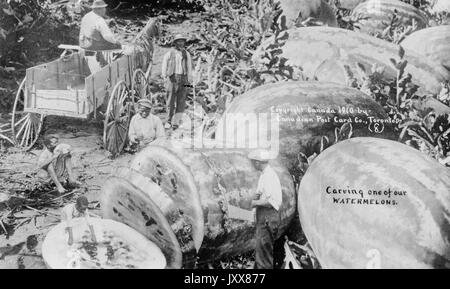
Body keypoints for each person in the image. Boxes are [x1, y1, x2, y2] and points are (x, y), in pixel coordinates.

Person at [248, 149, 283, 269]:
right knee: (261, 253)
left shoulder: (269, 176)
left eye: (253, 162)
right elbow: (259, 193)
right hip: (264, 217)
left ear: (258, 162)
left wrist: (253, 203)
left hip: (268, 217)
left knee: (264, 257)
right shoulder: (264, 175)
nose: (252, 164)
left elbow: (270, 202)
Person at [161, 34, 193, 129]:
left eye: (182, 41)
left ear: (184, 43)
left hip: (183, 79)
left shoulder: (186, 54)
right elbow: (164, 64)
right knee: (170, 101)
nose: (180, 43)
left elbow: (189, 67)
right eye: (178, 41)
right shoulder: (169, 53)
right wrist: (164, 76)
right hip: (172, 78)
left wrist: (189, 81)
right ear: (175, 43)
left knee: (181, 101)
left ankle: (176, 122)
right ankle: (168, 121)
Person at [79, 0, 122, 71]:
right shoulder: (99, 20)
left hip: (84, 44)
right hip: (93, 45)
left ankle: (100, 59)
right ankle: (111, 66)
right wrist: (116, 42)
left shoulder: (86, 16)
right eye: (103, 8)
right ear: (98, 9)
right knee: (118, 46)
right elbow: (107, 36)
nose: (105, 10)